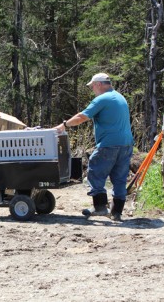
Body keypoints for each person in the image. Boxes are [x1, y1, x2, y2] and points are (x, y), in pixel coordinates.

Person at [54, 73, 133, 221]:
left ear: (98, 84)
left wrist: (64, 125)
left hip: (109, 145)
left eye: (92, 86)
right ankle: (116, 212)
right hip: (126, 145)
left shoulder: (102, 99)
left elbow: (82, 117)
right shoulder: (120, 97)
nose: (92, 89)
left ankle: (100, 207)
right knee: (120, 179)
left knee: (94, 172)